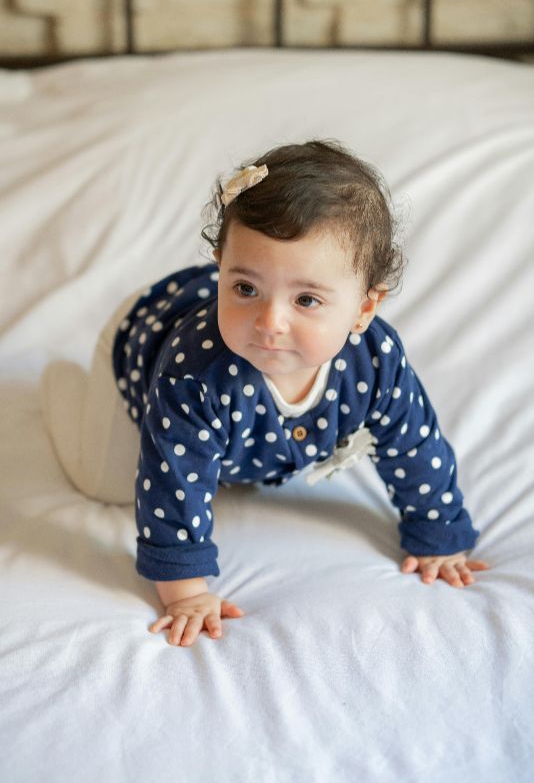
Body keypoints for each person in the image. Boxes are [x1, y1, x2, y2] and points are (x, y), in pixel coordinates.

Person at [40, 139, 489, 648]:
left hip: (226, 422)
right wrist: (185, 592)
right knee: (105, 482)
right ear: (220, 268)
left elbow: (416, 446)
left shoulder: (377, 362)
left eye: (306, 299)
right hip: (137, 345)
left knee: (216, 452)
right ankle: (62, 383)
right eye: (246, 288)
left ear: (365, 308)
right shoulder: (195, 372)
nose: (270, 322)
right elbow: (173, 483)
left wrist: (439, 536)